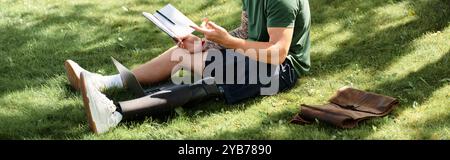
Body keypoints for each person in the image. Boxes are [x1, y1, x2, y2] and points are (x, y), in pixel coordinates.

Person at [65, 0, 311, 134]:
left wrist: (227, 43)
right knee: (184, 51)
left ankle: (114, 113)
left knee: (212, 73)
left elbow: (278, 53)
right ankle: (104, 82)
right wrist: (207, 42)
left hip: (281, 70)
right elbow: (247, 33)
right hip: (256, 57)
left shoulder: (282, 2)